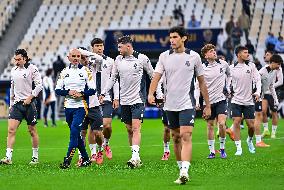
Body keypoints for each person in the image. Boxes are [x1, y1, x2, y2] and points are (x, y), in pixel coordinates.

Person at [148, 26, 211, 185]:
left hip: (186, 103)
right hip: (169, 105)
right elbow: (156, 77)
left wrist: (207, 105)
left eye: (175, 37)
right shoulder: (164, 56)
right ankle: (180, 169)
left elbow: (202, 83)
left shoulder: (194, 57)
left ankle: (184, 171)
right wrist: (151, 93)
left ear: (184, 38)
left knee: (185, 135)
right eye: (171, 37)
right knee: (175, 138)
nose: (172, 40)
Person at [99, 36, 154, 169]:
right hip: (124, 101)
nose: (118, 49)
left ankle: (135, 157)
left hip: (138, 99)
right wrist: (104, 92)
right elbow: (112, 78)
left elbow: (153, 76)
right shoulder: (118, 60)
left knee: (136, 128)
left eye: (120, 47)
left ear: (128, 46)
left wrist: (157, 93)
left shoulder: (142, 58)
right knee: (129, 130)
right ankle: (135, 157)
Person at [55, 48, 96, 169]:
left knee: (74, 130)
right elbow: (57, 90)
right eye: (73, 56)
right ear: (68, 57)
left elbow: (93, 89)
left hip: (81, 107)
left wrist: (81, 93)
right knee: (76, 135)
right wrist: (68, 92)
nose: (76, 58)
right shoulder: (64, 72)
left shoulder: (85, 71)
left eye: (78, 56)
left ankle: (67, 159)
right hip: (68, 107)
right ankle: (86, 159)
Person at [0, 49, 42, 165]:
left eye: (19, 59)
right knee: (11, 130)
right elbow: (12, 87)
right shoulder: (13, 70)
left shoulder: (32, 69)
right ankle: (8, 157)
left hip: (30, 104)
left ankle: (35, 157)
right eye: (15, 59)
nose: (16, 62)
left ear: (25, 58)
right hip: (17, 105)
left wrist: (30, 97)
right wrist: (11, 104)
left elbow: (39, 86)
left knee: (32, 131)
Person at [227, 46, 261, 156]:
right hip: (236, 100)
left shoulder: (251, 66)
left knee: (251, 126)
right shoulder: (231, 68)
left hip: (248, 101)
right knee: (236, 122)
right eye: (245, 52)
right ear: (238, 55)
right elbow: (228, 82)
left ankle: (249, 141)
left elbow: (258, 80)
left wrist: (258, 92)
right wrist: (228, 90)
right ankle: (239, 148)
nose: (248, 54)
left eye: (248, 52)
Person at [91, 38, 119, 160]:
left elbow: (115, 80)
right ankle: (99, 150)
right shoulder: (87, 61)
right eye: (97, 46)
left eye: (101, 45)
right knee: (95, 130)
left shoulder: (111, 61)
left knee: (107, 126)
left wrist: (116, 97)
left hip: (107, 97)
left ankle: (106, 144)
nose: (99, 48)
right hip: (92, 99)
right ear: (92, 47)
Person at [200, 44, 230, 159]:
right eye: (211, 51)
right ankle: (212, 151)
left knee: (222, 124)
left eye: (214, 50)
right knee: (210, 125)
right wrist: (198, 101)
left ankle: (222, 148)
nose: (214, 52)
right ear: (206, 55)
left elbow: (229, 74)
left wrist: (228, 86)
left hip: (221, 99)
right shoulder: (202, 68)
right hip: (208, 102)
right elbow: (198, 85)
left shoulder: (223, 64)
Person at [76, 47, 105, 165]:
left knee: (97, 133)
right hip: (79, 106)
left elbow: (100, 58)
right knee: (81, 133)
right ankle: (83, 156)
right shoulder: (73, 70)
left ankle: (100, 150)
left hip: (94, 105)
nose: (85, 59)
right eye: (82, 57)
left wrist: (84, 53)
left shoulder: (93, 67)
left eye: (85, 56)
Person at [255, 54, 282, 147]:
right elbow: (254, 82)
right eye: (278, 64)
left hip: (260, 96)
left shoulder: (274, 72)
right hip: (254, 96)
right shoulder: (262, 72)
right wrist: (256, 94)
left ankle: (256, 141)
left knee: (255, 117)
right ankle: (257, 141)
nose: (279, 67)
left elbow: (271, 86)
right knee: (256, 116)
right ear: (273, 63)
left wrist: (276, 100)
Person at [262, 51, 283, 138]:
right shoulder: (265, 68)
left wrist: (270, 86)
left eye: (267, 55)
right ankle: (266, 130)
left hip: (273, 92)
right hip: (265, 93)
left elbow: (281, 81)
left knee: (274, 112)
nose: (265, 56)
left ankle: (273, 132)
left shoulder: (278, 68)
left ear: (272, 57)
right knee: (263, 111)